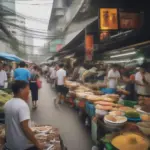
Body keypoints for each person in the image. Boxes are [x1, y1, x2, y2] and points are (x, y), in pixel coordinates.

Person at [4, 80, 44, 150]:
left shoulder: (7, 103)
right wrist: (37, 144)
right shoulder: (22, 105)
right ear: (21, 90)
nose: (29, 92)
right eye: (28, 90)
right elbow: (25, 128)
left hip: (10, 145)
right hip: (21, 146)